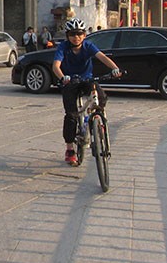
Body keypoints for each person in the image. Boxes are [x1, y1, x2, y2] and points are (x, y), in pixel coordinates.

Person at [51, 18, 121, 166]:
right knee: (71, 115)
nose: (76, 37)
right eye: (72, 34)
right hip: (70, 82)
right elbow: (56, 66)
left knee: (100, 96)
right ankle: (70, 149)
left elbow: (102, 57)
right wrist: (62, 77)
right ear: (67, 36)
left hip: (86, 80)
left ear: (84, 35)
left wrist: (115, 69)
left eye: (79, 34)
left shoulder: (88, 46)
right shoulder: (63, 47)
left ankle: (98, 121)